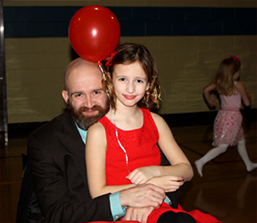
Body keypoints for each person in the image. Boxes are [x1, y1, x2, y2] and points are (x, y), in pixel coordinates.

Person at [27, 57, 188, 223]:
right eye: (79, 95)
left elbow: (175, 173)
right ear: (66, 97)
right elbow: (58, 214)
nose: (89, 104)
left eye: (96, 92)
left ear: (109, 90)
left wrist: (152, 202)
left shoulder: (135, 123)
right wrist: (123, 200)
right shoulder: (45, 143)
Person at [86, 43, 221, 223]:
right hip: (123, 212)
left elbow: (187, 170)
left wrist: (154, 172)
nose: (131, 88)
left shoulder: (156, 123)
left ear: (149, 84)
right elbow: (98, 192)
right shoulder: (98, 131)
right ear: (110, 80)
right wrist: (151, 185)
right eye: (123, 79)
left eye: (139, 81)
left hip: (157, 207)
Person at [195, 56, 257, 177]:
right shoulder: (239, 85)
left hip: (223, 116)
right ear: (235, 73)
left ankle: (248, 164)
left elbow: (206, 90)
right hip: (233, 118)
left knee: (241, 140)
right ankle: (201, 161)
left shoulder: (220, 84)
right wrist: (248, 96)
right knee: (223, 146)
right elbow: (247, 103)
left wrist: (210, 101)